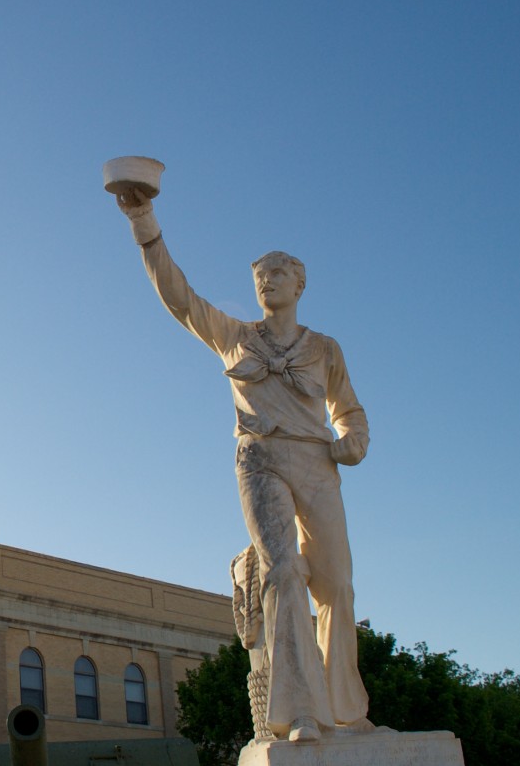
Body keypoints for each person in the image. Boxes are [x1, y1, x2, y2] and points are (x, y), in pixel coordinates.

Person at [114, 188, 372, 742]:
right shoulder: (235, 338)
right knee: (282, 572)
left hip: (317, 463)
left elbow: (348, 410)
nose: (266, 280)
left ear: (298, 285)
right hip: (260, 460)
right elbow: (179, 297)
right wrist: (144, 222)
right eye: (260, 274)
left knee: (336, 584)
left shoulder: (324, 348)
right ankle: (300, 711)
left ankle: (346, 709)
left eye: (277, 273)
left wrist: (352, 438)